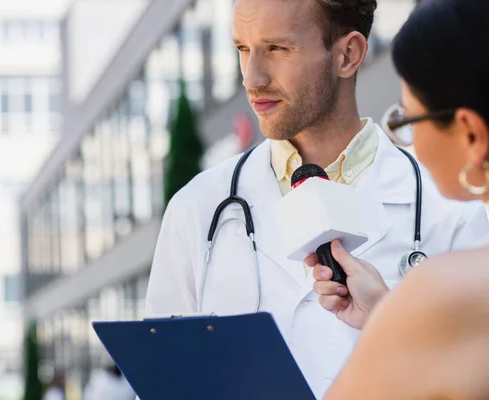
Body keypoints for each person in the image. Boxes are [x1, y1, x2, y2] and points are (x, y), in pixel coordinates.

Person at [145, 0, 489, 397]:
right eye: (242, 48)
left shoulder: (451, 203)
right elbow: (158, 381)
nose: (251, 78)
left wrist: (391, 317)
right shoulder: (197, 208)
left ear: (349, 54)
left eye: (277, 49)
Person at [306, 0, 489, 398]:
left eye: (406, 120)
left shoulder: (445, 294)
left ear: (471, 135)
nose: (409, 143)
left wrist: (400, 320)